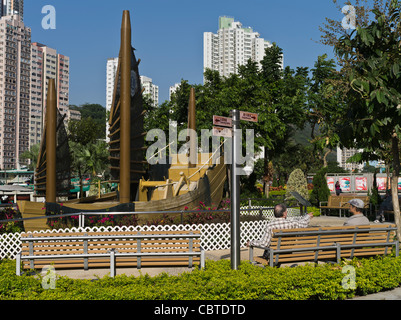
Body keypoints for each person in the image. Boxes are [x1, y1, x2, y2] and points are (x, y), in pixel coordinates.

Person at [246, 203, 313, 259]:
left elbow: (264, 244)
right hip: (287, 253)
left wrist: (251, 243)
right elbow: (302, 224)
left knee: (269, 249)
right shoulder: (292, 224)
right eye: (286, 211)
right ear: (284, 214)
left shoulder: (270, 226)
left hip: (273, 255)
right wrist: (308, 216)